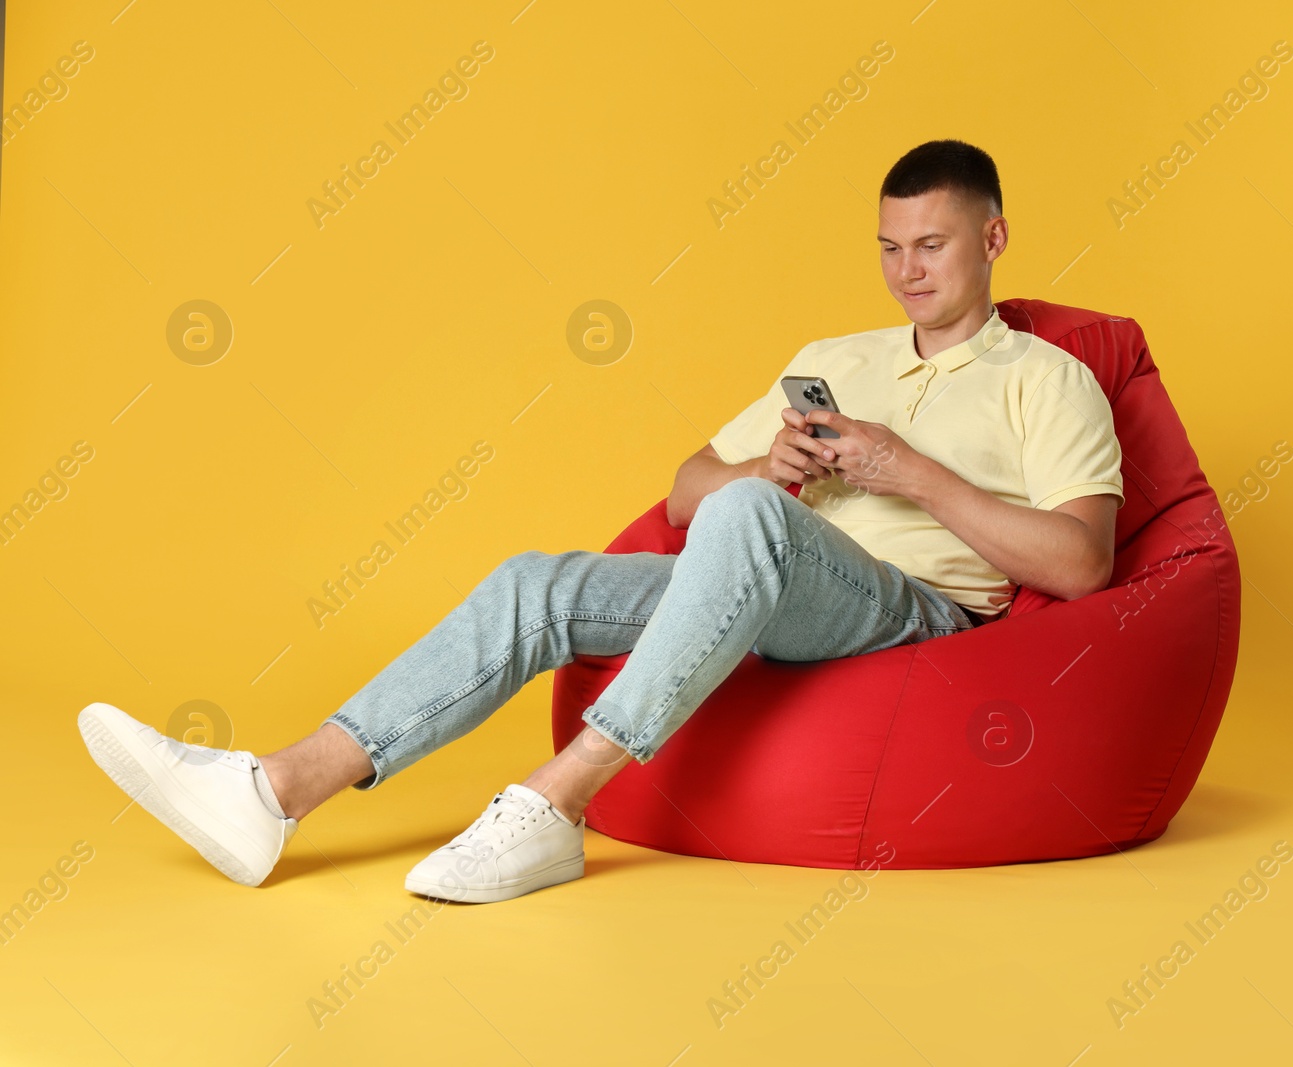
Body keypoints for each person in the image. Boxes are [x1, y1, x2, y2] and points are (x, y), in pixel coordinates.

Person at [77, 139, 1124, 904]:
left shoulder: (1050, 379)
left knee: (753, 516)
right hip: (770, 579)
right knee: (540, 580)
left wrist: (906, 471)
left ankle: (554, 803)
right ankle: (275, 789)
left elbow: (1080, 564)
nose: (907, 271)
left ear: (991, 237)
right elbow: (683, 494)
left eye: (932, 245)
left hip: (914, 614)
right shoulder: (839, 356)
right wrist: (773, 462)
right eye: (890, 247)